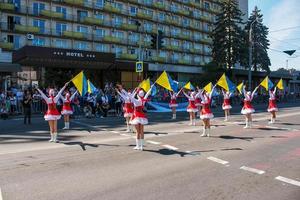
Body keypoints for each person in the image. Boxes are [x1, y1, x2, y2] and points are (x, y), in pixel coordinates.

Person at [121, 85, 154, 151]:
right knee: (142, 131)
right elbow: (147, 94)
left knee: (137, 132)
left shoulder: (136, 100)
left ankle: (137, 146)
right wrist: (151, 88)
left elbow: (129, 95)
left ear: (138, 94)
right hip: (142, 116)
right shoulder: (143, 100)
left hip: (136, 117)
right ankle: (141, 146)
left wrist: (122, 90)